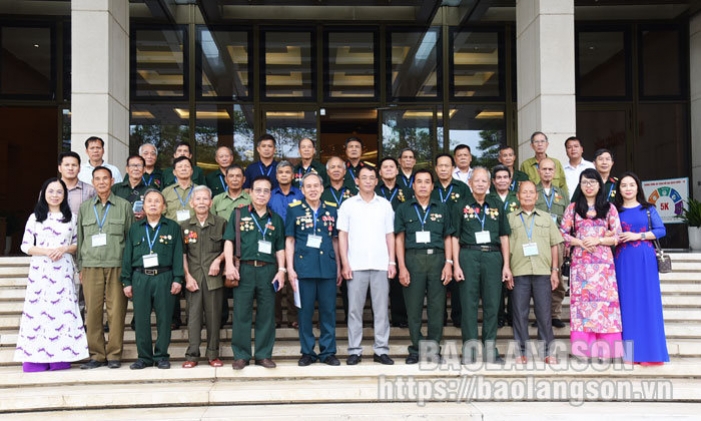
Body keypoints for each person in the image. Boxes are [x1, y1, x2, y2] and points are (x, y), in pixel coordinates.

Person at [15, 178, 88, 372]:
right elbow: (25, 246)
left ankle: (61, 356)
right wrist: (46, 251)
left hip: (63, 271)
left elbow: (78, 244)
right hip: (40, 271)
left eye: (59, 192)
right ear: (43, 194)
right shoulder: (35, 217)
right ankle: (35, 358)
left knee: (61, 312)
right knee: (38, 313)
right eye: (51, 191)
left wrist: (64, 249)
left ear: (64, 195)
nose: (54, 195)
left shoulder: (71, 217)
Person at [223, 176, 286, 370]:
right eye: (258, 190)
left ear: (270, 194)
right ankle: (241, 355)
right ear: (250, 192)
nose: (262, 194)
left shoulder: (275, 218)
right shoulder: (238, 214)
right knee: (242, 313)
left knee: (267, 314)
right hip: (245, 269)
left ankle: (263, 354)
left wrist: (282, 270)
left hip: (268, 270)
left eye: (266, 191)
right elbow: (229, 241)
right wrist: (229, 265)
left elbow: (280, 248)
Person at [560, 168, 623, 360]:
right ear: (580, 185)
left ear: (599, 185)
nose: (589, 186)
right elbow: (562, 233)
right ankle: (583, 350)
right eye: (585, 182)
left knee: (605, 305)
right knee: (582, 306)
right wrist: (579, 242)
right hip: (581, 263)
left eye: (592, 182)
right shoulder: (572, 208)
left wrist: (598, 241)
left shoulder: (609, 208)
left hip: (603, 263)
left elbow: (618, 234)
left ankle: (608, 351)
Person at [452, 167, 512, 364]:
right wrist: (455, 265)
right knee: (468, 305)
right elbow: (454, 237)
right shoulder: (460, 204)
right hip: (468, 255)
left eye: (484, 181)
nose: (480, 184)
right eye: (476, 180)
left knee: (493, 304)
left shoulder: (496, 204)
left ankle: (490, 349)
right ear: (470, 183)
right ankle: (468, 351)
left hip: (493, 257)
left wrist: (506, 265)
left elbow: (504, 236)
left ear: (489, 183)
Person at [76, 166, 134, 370]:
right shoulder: (84, 208)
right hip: (91, 265)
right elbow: (81, 239)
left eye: (105, 178)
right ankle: (97, 354)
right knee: (92, 312)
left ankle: (114, 354)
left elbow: (130, 238)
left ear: (112, 181)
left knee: (116, 312)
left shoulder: (124, 206)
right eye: (97, 179)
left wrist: (128, 270)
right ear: (93, 182)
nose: (101, 182)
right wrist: (80, 267)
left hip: (116, 265)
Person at [338, 166, 396, 366]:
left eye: (372, 178)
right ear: (357, 181)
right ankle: (355, 350)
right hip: (356, 264)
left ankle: (381, 350)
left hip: (380, 264)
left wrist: (392, 261)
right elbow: (342, 235)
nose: (368, 181)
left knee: (381, 310)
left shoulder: (385, 205)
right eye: (364, 178)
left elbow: (390, 235)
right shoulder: (348, 205)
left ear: (376, 180)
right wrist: (345, 263)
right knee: (355, 310)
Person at [395, 169, 453, 364]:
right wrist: (401, 266)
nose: (422, 185)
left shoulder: (442, 207)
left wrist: (449, 263)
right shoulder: (404, 208)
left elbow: (448, 237)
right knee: (414, 308)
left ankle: (434, 348)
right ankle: (416, 348)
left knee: (437, 308)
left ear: (432, 186)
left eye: (426, 182)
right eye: (418, 181)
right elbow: (399, 238)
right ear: (413, 185)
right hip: (413, 260)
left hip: (437, 260)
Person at [121, 189, 185, 369]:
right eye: (149, 201)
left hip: (164, 276)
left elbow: (178, 254)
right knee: (141, 319)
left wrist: (178, 278)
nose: (153, 204)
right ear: (144, 206)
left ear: (163, 206)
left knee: (165, 319)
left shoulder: (172, 227)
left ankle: (162, 355)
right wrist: (126, 281)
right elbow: (127, 255)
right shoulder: (135, 228)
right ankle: (144, 357)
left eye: (157, 201)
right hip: (140, 277)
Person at [285, 172, 342, 366]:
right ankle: (307, 352)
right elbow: (290, 240)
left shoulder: (332, 209)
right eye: (308, 186)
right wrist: (290, 269)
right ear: (302, 190)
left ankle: (328, 352)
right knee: (305, 312)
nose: (312, 189)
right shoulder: (294, 210)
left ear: (322, 188)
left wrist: (339, 266)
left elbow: (335, 240)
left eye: (316, 185)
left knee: (328, 312)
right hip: (304, 268)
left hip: (327, 267)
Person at [614, 172, 669, 365]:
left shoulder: (648, 208)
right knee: (626, 303)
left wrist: (639, 236)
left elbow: (661, 230)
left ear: (638, 187)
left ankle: (650, 353)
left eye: (632, 185)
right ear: (619, 189)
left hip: (645, 258)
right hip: (623, 259)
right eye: (624, 185)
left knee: (647, 302)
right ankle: (629, 354)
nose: (628, 188)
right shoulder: (614, 210)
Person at [507, 181, 562, 364]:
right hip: (519, 271)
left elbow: (555, 244)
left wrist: (555, 270)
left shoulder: (547, 218)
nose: (528, 195)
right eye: (524, 192)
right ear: (518, 196)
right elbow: (505, 246)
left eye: (531, 192)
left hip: (542, 272)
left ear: (536, 196)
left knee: (544, 314)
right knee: (519, 313)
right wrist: (506, 269)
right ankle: (521, 352)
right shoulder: (510, 218)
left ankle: (547, 352)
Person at [180, 186, 227, 368]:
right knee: (193, 318)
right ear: (192, 203)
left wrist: (219, 261)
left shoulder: (221, 222)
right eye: (197, 199)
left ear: (211, 202)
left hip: (213, 279)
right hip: (194, 279)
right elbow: (182, 255)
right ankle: (192, 354)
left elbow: (228, 248)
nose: (201, 202)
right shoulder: (184, 226)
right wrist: (187, 277)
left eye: (205, 199)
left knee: (214, 318)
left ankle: (213, 354)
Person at [432, 153, 470, 328]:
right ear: (436, 168)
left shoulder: (462, 187)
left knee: (457, 280)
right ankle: (439, 316)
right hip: (436, 240)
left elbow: (468, 212)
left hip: (457, 238)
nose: (443, 169)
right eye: (440, 166)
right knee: (438, 280)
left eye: (447, 166)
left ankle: (458, 316)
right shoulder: (430, 187)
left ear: (453, 168)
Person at [211, 164, 251, 327]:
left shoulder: (250, 199)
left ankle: (242, 322)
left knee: (243, 287)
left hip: (246, 249)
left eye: (238, 176)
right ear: (226, 179)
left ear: (244, 179)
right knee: (220, 288)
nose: (234, 179)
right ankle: (221, 319)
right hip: (220, 248)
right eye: (231, 176)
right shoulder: (217, 200)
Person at [320, 156, 357, 324]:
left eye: (339, 167)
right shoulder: (321, 192)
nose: (336, 170)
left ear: (344, 171)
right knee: (326, 285)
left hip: (351, 243)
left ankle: (352, 322)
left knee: (350, 284)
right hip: (326, 243)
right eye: (332, 167)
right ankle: (327, 321)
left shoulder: (354, 192)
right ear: (327, 172)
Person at [535, 158, 569, 329]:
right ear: (538, 171)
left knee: (558, 279)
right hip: (536, 241)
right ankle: (540, 315)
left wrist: (568, 243)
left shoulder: (562, 194)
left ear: (554, 172)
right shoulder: (532, 191)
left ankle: (554, 314)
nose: (547, 172)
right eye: (544, 169)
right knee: (538, 279)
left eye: (550, 169)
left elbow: (568, 220)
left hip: (557, 242)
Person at [269, 160, 303, 328]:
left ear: (293, 175)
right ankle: (275, 318)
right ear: (276, 175)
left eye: (287, 172)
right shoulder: (270, 194)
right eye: (281, 172)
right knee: (274, 280)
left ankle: (293, 317)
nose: (284, 175)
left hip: (295, 242)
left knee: (293, 281)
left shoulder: (300, 194)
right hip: (273, 243)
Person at [376, 157, 409, 328]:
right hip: (378, 241)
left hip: (400, 238)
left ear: (397, 171)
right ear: (380, 172)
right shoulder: (374, 191)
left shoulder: (407, 191)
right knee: (378, 282)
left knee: (398, 282)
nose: (389, 170)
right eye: (385, 167)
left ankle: (399, 318)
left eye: (392, 167)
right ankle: (378, 319)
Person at [488, 165, 520, 329]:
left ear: (510, 180)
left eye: (505, 177)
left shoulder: (517, 198)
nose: (502, 180)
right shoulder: (488, 199)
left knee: (515, 281)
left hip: (515, 243)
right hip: (494, 245)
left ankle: (513, 315)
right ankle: (499, 316)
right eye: (498, 177)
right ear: (493, 181)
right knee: (496, 283)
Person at [519, 131, 568, 199]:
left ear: (547, 144)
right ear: (532, 145)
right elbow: (522, 187)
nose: (540, 144)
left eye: (542, 141)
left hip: (555, 201)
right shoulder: (526, 165)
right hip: (534, 202)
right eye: (536, 142)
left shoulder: (556, 163)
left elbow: (563, 186)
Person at [111, 155, 149, 221]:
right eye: (132, 165)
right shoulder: (115, 188)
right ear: (127, 169)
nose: (136, 169)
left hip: (140, 227)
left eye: (139, 165)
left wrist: (145, 213)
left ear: (144, 169)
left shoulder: (150, 191)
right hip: (120, 227)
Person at [163, 156, 197, 223]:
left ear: (192, 171)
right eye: (180, 167)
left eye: (187, 166)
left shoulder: (200, 191)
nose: (183, 169)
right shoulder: (166, 192)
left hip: (194, 230)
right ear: (174, 172)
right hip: (172, 230)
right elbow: (161, 213)